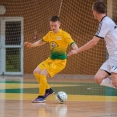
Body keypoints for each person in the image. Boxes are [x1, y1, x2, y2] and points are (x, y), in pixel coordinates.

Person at [24, 16, 78, 103]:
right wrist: (32, 45)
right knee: (36, 72)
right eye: (51, 25)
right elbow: (41, 41)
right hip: (50, 60)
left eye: (55, 25)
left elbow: (73, 44)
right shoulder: (49, 34)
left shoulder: (65, 35)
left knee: (43, 74)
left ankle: (42, 96)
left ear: (59, 24)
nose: (53, 27)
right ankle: (48, 90)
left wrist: (75, 50)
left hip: (59, 62)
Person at [67, 1, 117, 89]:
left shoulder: (105, 22)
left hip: (116, 55)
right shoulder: (106, 21)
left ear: (94, 12)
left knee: (115, 82)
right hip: (112, 56)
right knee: (98, 78)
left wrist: (77, 50)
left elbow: (93, 42)